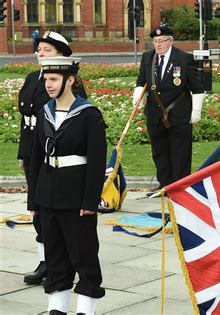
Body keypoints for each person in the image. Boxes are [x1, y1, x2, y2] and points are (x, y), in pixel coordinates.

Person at [27, 56, 106, 314]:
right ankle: (57, 308)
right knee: (55, 256)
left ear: (70, 80)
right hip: (48, 196)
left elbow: (96, 162)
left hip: (76, 197)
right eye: (46, 79)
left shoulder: (88, 115)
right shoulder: (44, 112)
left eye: (54, 79)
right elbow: (37, 158)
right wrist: (34, 200)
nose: (48, 84)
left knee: (83, 256)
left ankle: (85, 309)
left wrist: (90, 200)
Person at [18, 31, 87, 287]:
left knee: (56, 212)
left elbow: (77, 121)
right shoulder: (31, 78)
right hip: (33, 153)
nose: (40, 54)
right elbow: (26, 120)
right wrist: (23, 154)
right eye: (40, 49)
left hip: (54, 156)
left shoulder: (70, 83)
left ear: (60, 55)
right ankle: (45, 261)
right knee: (38, 209)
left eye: (47, 50)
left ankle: (61, 261)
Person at [133, 25, 205, 197]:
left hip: (179, 113)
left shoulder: (183, 59)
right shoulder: (147, 58)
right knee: (159, 151)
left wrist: (196, 111)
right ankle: (164, 185)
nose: (157, 45)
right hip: (155, 114)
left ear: (170, 41)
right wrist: (137, 96)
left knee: (180, 152)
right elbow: (141, 81)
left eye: (161, 41)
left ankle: (180, 186)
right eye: (155, 41)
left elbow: (197, 87)